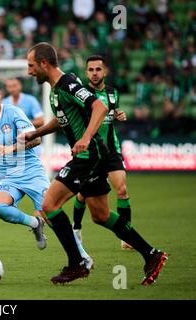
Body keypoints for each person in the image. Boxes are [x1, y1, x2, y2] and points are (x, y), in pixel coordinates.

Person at [22, 42, 167, 285]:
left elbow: (99, 106)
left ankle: (77, 263)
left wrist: (86, 137)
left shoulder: (68, 84)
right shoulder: (56, 90)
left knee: (49, 205)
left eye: (31, 65)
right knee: (100, 215)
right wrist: (36, 134)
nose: (29, 71)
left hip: (88, 155)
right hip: (90, 155)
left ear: (44, 64)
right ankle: (152, 255)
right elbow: (62, 120)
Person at [0, 79, 93, 268]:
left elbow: (36, 140)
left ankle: (83, 256)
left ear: (0, 95)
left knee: (52, 215)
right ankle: (34, 223)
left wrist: (11, 148)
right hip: (7, 177)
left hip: (31, 172)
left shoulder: (14, 112)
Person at [72, 55, 133, 250]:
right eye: (90, 70)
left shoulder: (112, 93)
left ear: (104, 71)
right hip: (91, 152)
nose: (94, 73)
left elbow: (112, 112)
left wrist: (118, 114)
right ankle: (76, 228)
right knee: (82, 195)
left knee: (122, 190)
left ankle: (127, 236)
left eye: (98, 69)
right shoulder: (82, 95)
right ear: (86, 72)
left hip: (111, 150)